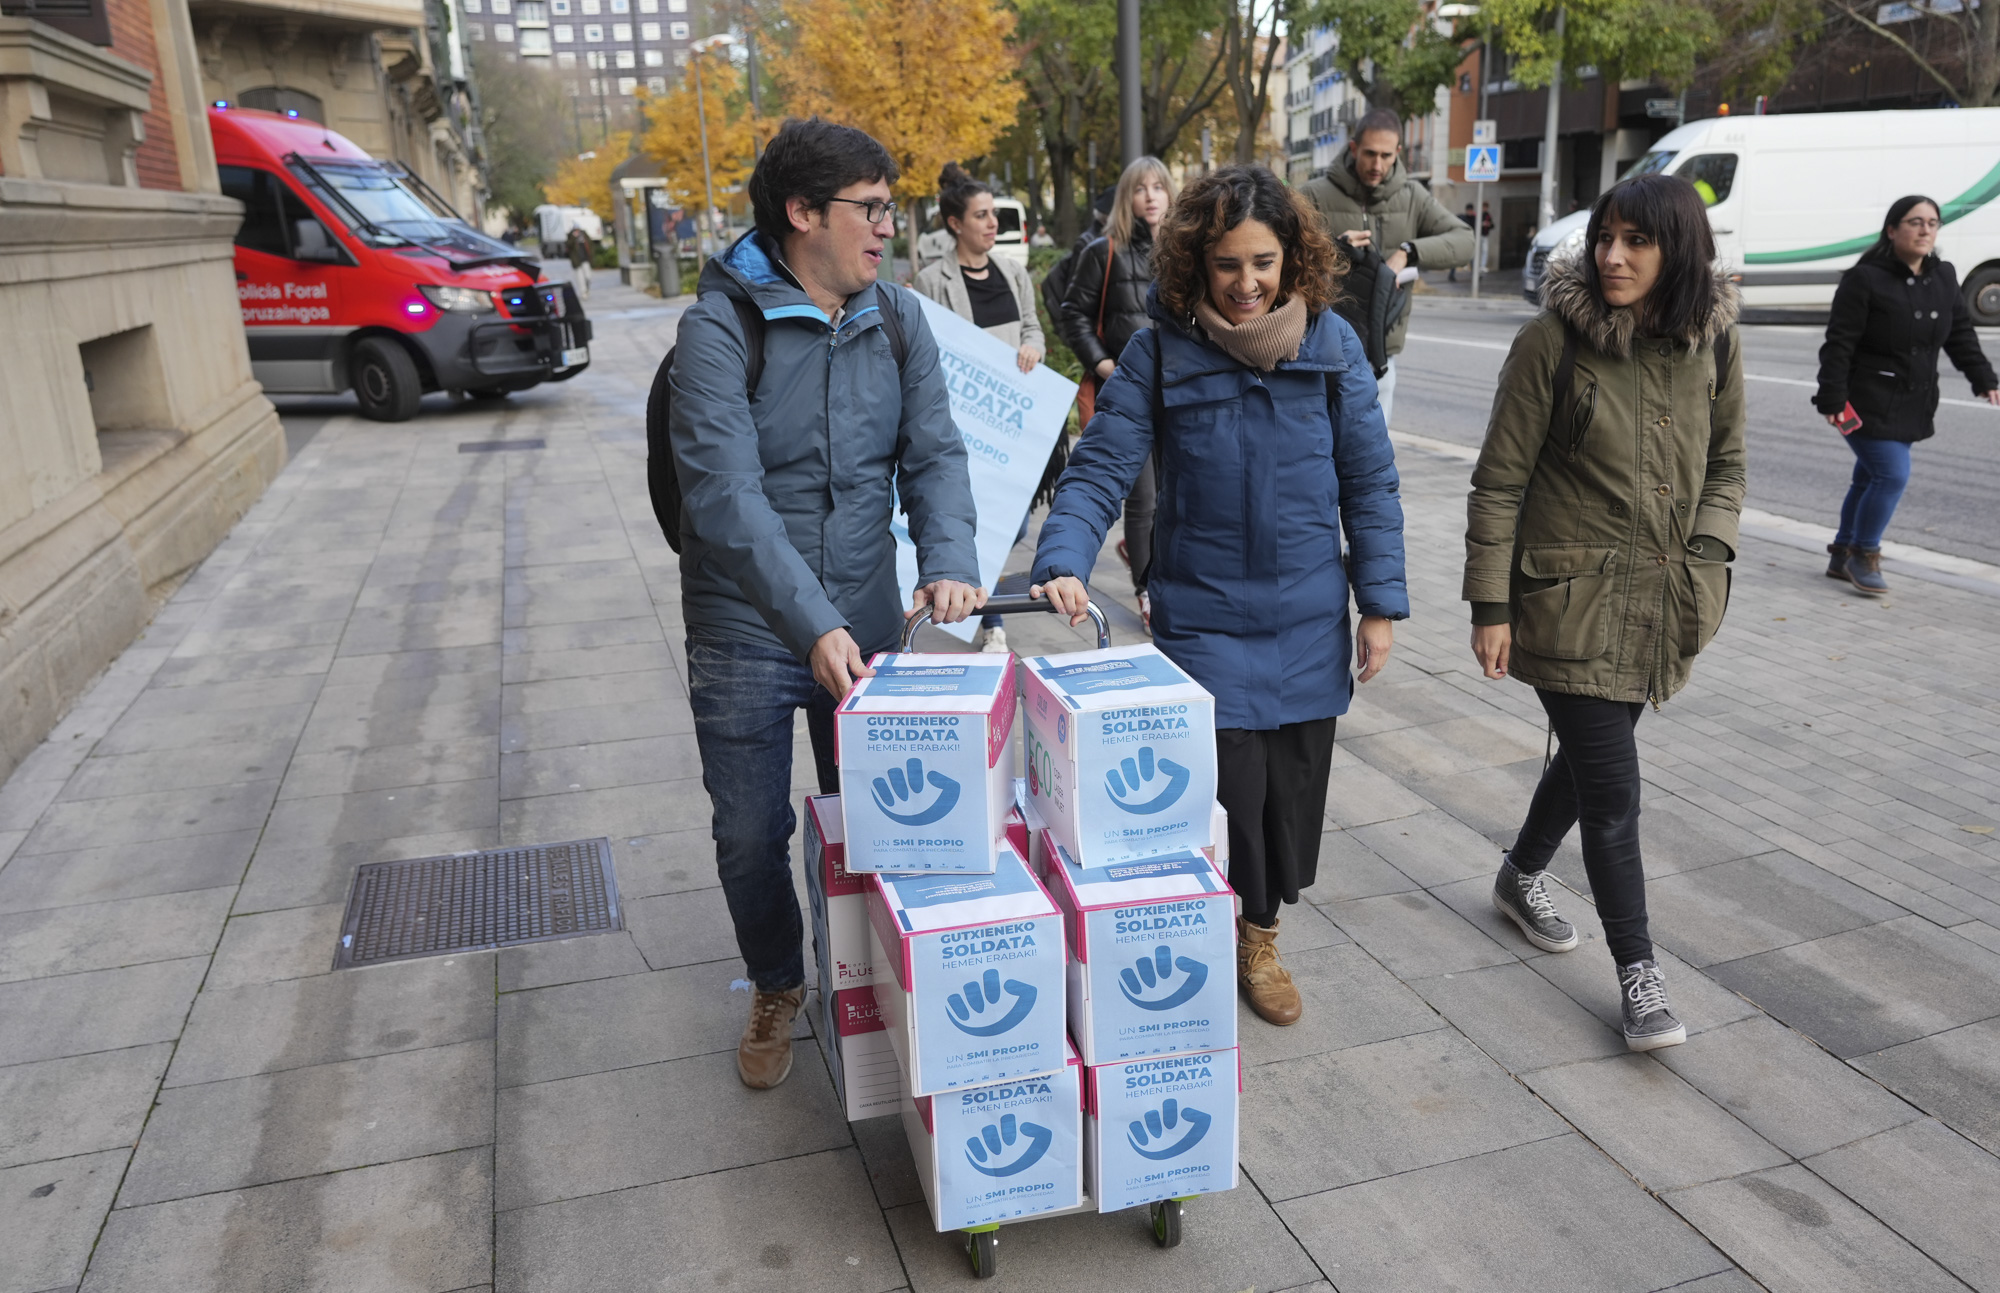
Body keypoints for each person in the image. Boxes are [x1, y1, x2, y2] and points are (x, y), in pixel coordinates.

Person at [1033, 165, 1407, 1027]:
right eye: (1228, 265)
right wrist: (1063, 556)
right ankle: (1228, 932)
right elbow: (1100, 465)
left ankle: (1262, 927)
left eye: (1264, 263)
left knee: (1290, 797)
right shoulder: (1163, 348)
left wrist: (1379, 604)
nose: (1247, 285)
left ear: (1293, 260)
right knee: (1226, 790)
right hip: (1203, 615)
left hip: (1310, 614)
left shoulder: (1333, 346)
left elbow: (1371, 483)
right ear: (1197, 263)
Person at [669, 118, 984, 1090]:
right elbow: (723, 495)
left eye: (890, 208)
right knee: (750, 832)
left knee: (879, 824)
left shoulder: (897, 320)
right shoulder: (718, 330)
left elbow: (932, 453)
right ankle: (775, 982)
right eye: (870, 208)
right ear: (802, 213)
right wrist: (809, 625)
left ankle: (872, 982)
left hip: (868, 623)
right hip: (745, 633)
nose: (888, 228)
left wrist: (947, 560)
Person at [1464, 172, 1747, 1052]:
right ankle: (1640, 977)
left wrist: (1709, 559)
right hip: (1567, 601)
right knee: (1616, 789)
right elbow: (1499, 481)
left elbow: (1729, 464)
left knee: (1593, 769)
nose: (1614, 256)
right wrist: (1491, 603)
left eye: (1637, 241)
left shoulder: (1714, 344)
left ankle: (1519, 875)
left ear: (1681, 252)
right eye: (1605, 238)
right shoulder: (1552, 341)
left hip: (1665, 602)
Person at [1814, 194, 1999, 594]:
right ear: (1892, 229)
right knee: (1891, 474)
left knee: (1868, 478)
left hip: (1914, 401)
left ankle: (1841, 552)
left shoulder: (1944, 276)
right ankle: (1865, 555)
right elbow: (1839, 343)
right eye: (1915, 222)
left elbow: (1961, 333)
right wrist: (1831, 397)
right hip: (1865, 400)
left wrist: (1984, 378)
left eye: (1932, 222)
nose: (1925, 229)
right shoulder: (1864, 278)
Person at [915, 163, 1050, 655]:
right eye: (981, 215)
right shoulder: (932, 281)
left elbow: (1033, 328)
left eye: (995, 214)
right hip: (960, 427)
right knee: (976, 522)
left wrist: (1033, 348)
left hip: (1008, 427)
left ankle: (975, 598)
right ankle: (991, 621)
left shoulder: (1014, 273)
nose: (993, 223)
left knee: (1012, 525)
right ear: (955, 223)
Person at [1059, 157, 1176, 625]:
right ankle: (1147, 591)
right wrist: (1104, 364)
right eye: (1139, 188)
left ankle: (1153, 563)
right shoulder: (1103, 251)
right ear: (1125, 199)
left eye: (1158, 187)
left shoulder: (1187, 253)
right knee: (1143, 498)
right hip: (1127, 396)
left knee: (1173, 496)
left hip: (1176, 394)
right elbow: (1074, 313)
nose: (1149, 196)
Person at [1302, 109, 1474, 425]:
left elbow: (1465, 240)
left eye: (1386, 155)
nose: (1377, 165)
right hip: (1319, 352)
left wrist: (1409, 251)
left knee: (1371, 459)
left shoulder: (1413, 197)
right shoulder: (1313, 194)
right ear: (1353, 149)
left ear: (1398, 152)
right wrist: (1331, 248)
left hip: (1381, 357)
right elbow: (1278, 249)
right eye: (1369, 154)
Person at [565, 225, 593, 299]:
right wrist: (573, 237)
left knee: (588, 276)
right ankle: (583, 292)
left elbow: (590, 245)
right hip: (576, 261)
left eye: (578, 230)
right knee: (580, 278)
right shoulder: (571, 237)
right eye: (575, 230)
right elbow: (568, 245)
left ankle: (587, 289)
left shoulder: (584, 236)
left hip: (585, 259)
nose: (577, 232)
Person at [1450, 203, 1476, 281]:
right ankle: (1451, 275)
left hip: (1469, 243)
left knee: (1472, 259)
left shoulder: (1474, 219)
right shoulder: (1462, 217)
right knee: (1456, 258)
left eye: (1471, 210)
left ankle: (1475, 275)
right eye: (1469, 210)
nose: (1470, 212)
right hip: (1460, 242)